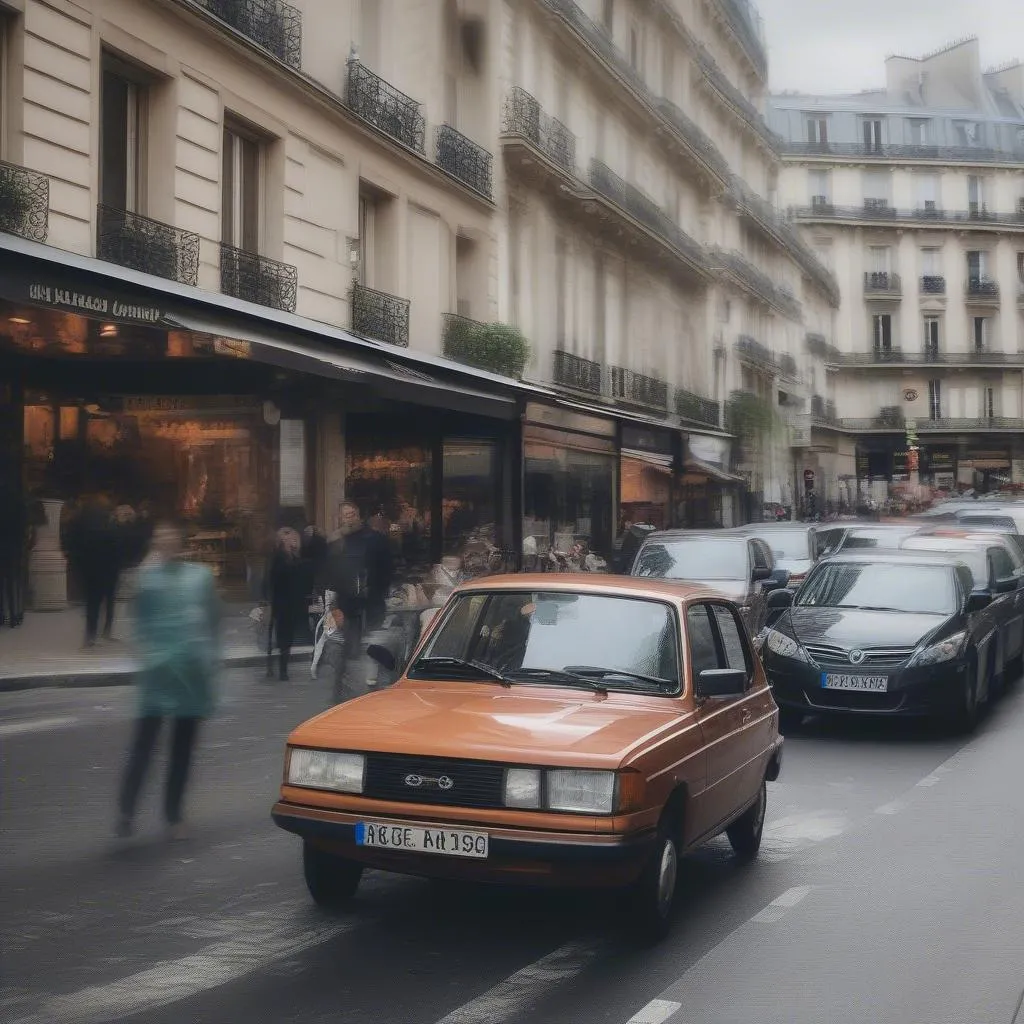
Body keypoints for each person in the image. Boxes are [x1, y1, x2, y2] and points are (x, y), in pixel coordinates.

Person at [115, 519, 221, 841]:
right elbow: (135, 624)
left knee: (181, 750)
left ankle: (173, 815)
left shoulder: (199, 577)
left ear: (181, 543)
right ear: (154, 543)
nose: (165, 542)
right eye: (160, 537)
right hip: (159, 677)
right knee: (144, 746)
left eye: (171, 537)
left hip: (189, 675)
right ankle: (126, 811)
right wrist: (144, 655)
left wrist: (209, 665)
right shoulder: (145, 580)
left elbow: (213, 622)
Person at [308, 500, 393, 702]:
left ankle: (370, 689)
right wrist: (328, 601)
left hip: (370, 603)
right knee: (344, 649)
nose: (349, 518)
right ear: (339, 518)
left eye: (352, 513)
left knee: (368, 647)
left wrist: (377, 590)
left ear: (359, 516)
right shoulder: (335, 542)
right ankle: (345, 693)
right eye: (345, 515)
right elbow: (325, 573)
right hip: (345, 605)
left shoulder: (375, 539)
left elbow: (387, 570)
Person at [64, 493, 130, 648]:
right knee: (109, 600)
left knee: (92, 602)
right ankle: (105, 632)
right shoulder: (109, 522)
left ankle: (90, 635)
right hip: (109, 567)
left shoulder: (81, 521)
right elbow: (118, 543)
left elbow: (72, 543)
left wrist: (77, 564)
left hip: (90, 568)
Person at [264, 526, 306, 681]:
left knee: (285, 636)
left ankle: (280, 668)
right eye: (290, 538)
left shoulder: (291, 557)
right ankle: (282, 670)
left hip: (288, 603)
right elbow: (276, 580)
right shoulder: (279, 558)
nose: (294, 540)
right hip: (283, 604)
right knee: (284, 637)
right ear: (283, 541)